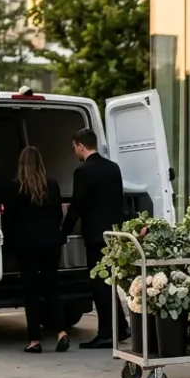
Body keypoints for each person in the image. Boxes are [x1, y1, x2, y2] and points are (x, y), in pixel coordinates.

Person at [61, 128, 131, 348]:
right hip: (113, 234)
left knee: (99, 285)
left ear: (81, 145)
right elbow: (118, 200)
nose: (75, 151)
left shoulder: (83, 171)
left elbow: (77, 206)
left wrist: (63, 232)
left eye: (75, 147)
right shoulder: (113, 168)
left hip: (94, 236)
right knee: (109, 281)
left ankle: (106, 334)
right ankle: (120, 328)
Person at [2, 146, 68, 353]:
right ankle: (61, 332)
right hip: (51, 243)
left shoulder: (15, 188)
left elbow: (9, 219)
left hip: (27, 244)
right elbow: (58, 215)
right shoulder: (52, 185)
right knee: (51, 287)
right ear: (41, 164)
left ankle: (35, 340)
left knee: (31, 292)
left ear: (21, 165)